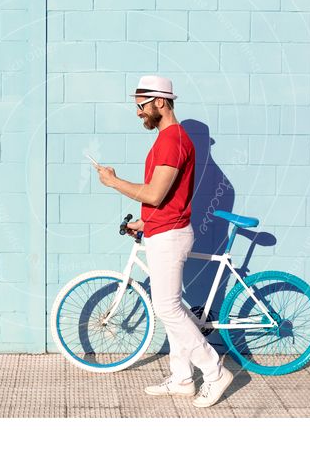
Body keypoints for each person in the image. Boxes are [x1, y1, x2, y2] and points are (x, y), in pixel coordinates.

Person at [95, 75, 234, 408]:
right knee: (170, 308)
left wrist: (113, 182)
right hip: (162, 230)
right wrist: (145, 222)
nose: (139, 112)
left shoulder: (172, 140)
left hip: (171, 237)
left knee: (168, 308)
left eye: (141, 106)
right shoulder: (166, 140)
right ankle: (183, 379)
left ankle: (214, 373)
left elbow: (156, 195)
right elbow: (167, 199)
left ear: (160, 101)